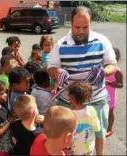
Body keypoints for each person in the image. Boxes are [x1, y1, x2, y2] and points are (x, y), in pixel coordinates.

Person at [48, 6, 117, 155]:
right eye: (77, 27)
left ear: (90, 23)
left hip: (96, 99)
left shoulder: (102, 40)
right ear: (71, 24)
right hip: (68, 101)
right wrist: (57, 72)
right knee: (67, 136)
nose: (80, 31)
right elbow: (51, 67)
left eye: (85, 27)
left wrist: (104, 72)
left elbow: (112, 65)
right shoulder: (60, 45)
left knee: (100, 134)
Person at [67, 81, 101, 155]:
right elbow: (97, 128)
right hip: (88, 149)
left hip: (73, 151)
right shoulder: (91, 110)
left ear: (71, 98)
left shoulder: (68, 114)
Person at [105, 47, 123, 137]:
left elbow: (120, 85)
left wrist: (109, 83)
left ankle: (109, 128)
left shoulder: (117, 71)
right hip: (100, 94)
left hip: (110, 95)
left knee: (110, 112)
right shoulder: (102, 67)